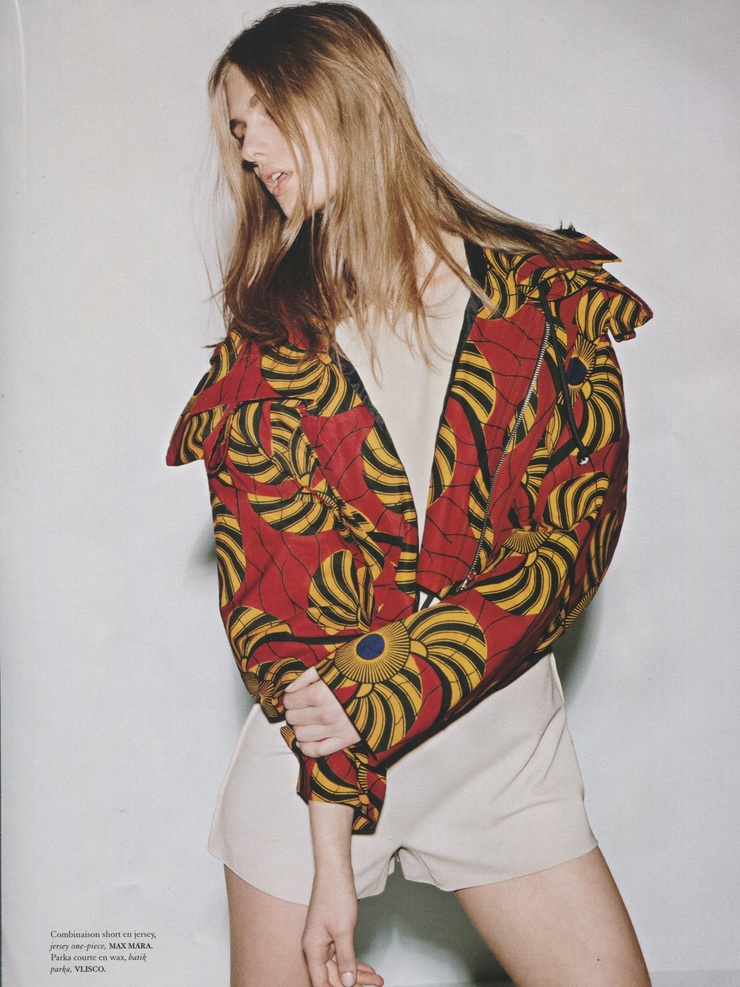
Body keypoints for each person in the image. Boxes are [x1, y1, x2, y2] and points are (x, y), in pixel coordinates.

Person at [167, 4, 653, 985]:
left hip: (501, 756)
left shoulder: (548, 302)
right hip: (318, 781)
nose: (247, 148)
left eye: (264, 114)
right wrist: (331, 864)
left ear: (346, 95)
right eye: (237, 130)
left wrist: (385, 682)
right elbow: (288, 628)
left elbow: (568, 544)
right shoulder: (264, 364)